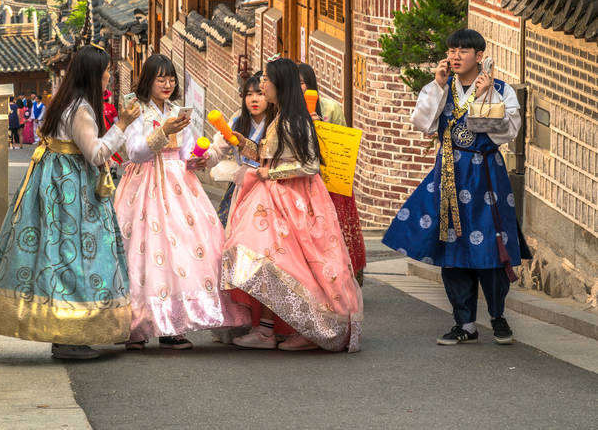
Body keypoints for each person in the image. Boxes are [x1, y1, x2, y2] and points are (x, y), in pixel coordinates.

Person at [0, 45, 141, 360]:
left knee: (54, 254)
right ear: (94, 75)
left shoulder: (64, 101)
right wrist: (122, 125)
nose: (110, 76)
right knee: (75, 257)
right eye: (107, 70)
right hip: (71, 191)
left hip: (53, 183)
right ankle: (70, 335)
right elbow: (96, 153)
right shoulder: (81, 108)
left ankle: (64, 334)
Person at [383, 28, 529, 346]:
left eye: (463, 51)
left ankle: (497, 315)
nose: (455, 56)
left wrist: (485, 96)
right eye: (452, 50)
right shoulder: (440, 87)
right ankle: (464, 322)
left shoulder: (501, 90)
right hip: (448, 173)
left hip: (486, 176)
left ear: (480, 56)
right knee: (453, 249)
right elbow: (423, 124)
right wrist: (436, 86)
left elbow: (501, 134)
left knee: (491, 247)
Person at [221, 57, 363, 352]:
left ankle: (311, 327)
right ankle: (269, 329)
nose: (261, 85)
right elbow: (267, 152)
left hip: (295, 202)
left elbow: (310, 165)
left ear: (279, 85)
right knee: (270, 261)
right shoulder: (281, 116)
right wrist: (244, 143)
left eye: (266, 81)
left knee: (293, 265)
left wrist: (271, 173)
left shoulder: (295, 120)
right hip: (272, 199)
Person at [114, 54, 248, 351]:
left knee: (184, 254)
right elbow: (134, 152)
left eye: (171, 78)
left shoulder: (179, 110)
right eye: (160, 78)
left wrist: (203, 157)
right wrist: (164, 132)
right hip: (144, 184)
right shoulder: (135, 110)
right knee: (143, 254)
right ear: (147, 81)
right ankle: (136, 328)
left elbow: (189, 151)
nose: (167, 84)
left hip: (180, 184)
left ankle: (172, 326)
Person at [298, 63, 367, 283]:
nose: (298, 87)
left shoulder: (330, 108)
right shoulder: (284, 109)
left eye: (301, 82)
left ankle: (345, 276)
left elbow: (343, 144)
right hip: (300, 180)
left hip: (329, 180)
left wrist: (321, 130)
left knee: (335, 230)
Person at [201, 71, 273, 229]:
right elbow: (217, 151)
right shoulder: (237, 121)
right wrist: (205, 155)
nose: (254, 99)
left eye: (260, 94)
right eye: (249, 94)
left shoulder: (276, 122)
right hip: (243, 186)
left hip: (270, 185)